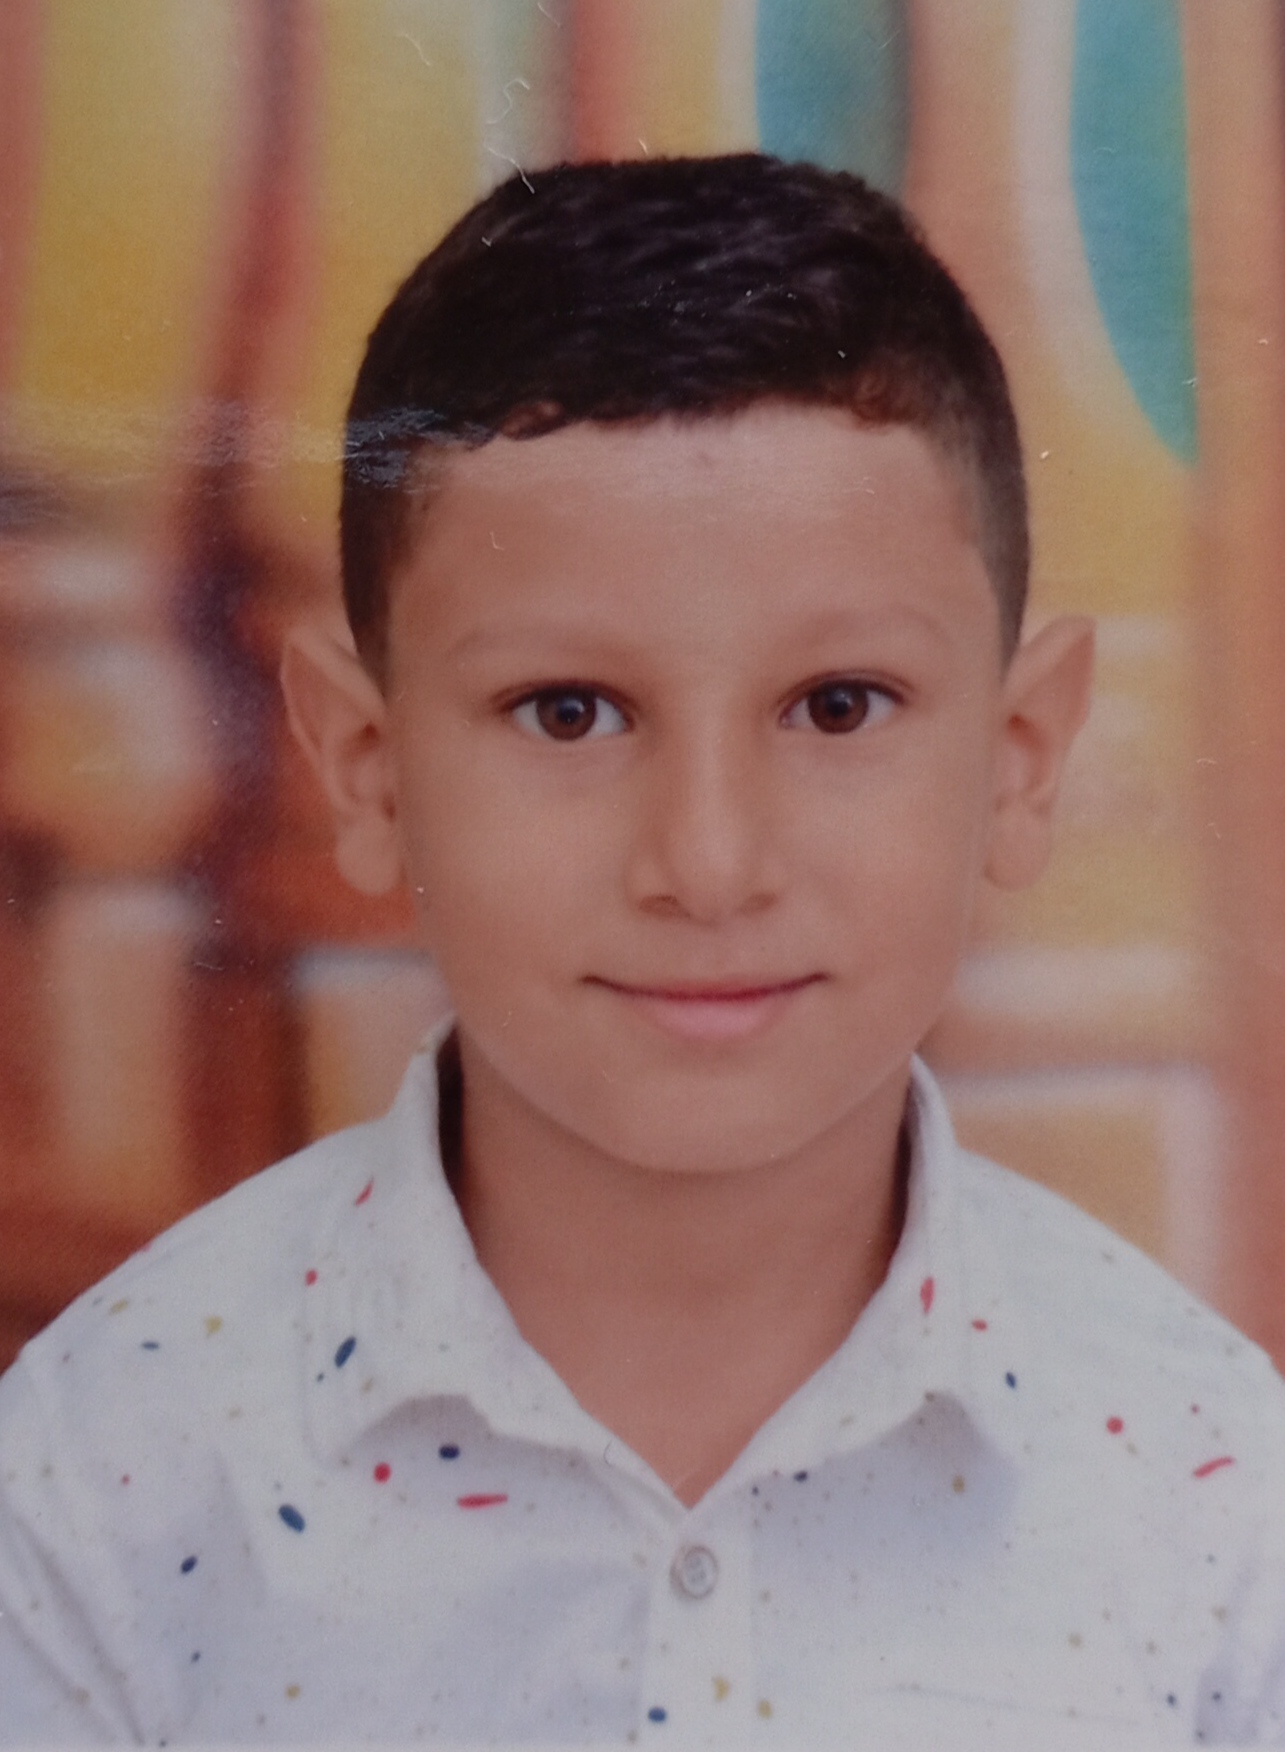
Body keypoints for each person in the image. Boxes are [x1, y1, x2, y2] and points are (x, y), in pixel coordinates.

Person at [1, 153, 1283, 1749]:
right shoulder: (99, 1483)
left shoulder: (1212, 1503)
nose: (706, 864)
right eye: (568, 712)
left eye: (835, 706)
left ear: (1018, 760)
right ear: (367, 769)